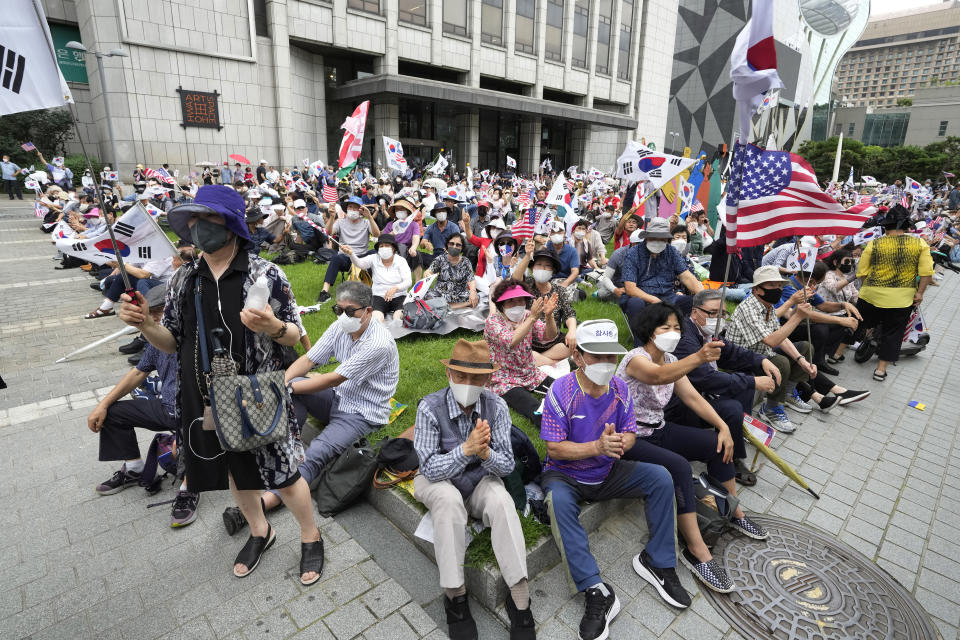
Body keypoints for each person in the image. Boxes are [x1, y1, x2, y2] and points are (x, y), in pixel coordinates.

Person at [115, 184, 324, 586]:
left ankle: (310, 535)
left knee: (283, 472)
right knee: (234, 470)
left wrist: (274, 326)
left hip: (259, 391)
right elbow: (172, 342)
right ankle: (260, 530)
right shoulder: (184, 279)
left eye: (206, 218)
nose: (197, 227)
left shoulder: (266, 274)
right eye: (192, 220)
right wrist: (145, 324)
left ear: (229, 225)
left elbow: (296, 335)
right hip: (207, 396)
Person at [541, 319, 692, 640]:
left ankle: (659, 561)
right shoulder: (561, 390)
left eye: (611, 356)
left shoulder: (620, 389)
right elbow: (554, 447)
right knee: (556, 501)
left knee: (661, 478)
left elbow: (631, 434)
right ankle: (595, 589)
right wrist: (597, 446)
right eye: (597, 356)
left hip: (608, 471)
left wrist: (624, 443)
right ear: (578, 356)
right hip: (566, 475)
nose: (606, 363)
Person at [617, 303, 768, 592]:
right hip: (633, 436)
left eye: (677, 327)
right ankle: (697, 551)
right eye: (665, 328)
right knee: (679, 467)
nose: (672, 333)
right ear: (649, 331)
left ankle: (733, 511)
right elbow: (658, 376)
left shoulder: (672, 359)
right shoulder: (635, 359)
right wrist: (699, 357)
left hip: (659, 429)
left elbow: (693, 399)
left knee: (716, 444)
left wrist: (723, 428)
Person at [413, 340, 535, 640]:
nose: (468, 384)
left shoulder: (497, 406)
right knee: (448, 500)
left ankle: (520, 597)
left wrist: (485, 455)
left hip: (480, 478)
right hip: (437, 480)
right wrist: (467, 449)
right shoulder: (430, 407)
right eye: (461, 376)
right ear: (449, 375)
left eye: (476, 378)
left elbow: (506, 466)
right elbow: (428, 468)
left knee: (502, 501)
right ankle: (455, 595)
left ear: (488, 379)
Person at [87, 284, 200, 527]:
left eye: (162, 312)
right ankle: (134, 468)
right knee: (114, 412)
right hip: (165, 407)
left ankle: (189, 488)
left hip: (195, 411)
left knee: (192, 426)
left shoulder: (195, 335)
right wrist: (103, 404)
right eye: (154, 313)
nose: (158, 318)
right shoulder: (155, 338)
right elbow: (138, 373)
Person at [725, 266, 869, 433]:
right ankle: (770, 409)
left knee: (806, 348)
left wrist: (802, 361)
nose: (778, 290)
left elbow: (780, 336)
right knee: (781, 361)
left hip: (760, 353)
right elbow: (772, 341)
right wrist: (798, 315)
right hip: (740, 358)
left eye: (779, 286)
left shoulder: (767, 305)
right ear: (757, 289)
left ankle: (787, 393)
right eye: (772, 286)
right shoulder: (749, 307)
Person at [670, 290, 783, 486]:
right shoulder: (684, 338)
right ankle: (732, 460)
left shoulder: (708, 332)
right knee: (733, 405)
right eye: (713, 313)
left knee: (745, 383)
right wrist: (754, 382)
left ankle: (736, 432)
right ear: (695, 312)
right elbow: (705, 378)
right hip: (682, 406)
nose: (719, 318)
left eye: (723, 313)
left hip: (702, 395)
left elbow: (731, 351)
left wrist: (761, 360)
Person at [855, 205, 934, 381]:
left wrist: (867, 287)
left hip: (871, 294)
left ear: (887, 225)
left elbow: (862, 272)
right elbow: (926, 273)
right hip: (901, 299)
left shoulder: (874, 243)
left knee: (858, 323)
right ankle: (880, 371)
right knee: (893, 333)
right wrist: (919, 294)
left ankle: (836, 355)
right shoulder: (919, 243)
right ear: (906, 225)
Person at [484, 280, 557, 426]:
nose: (517, 306)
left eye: (520, 301)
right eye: (511, 301)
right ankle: (557, 429)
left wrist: (549, 317)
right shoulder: (493, 321)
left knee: (562, 390)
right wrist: (532, 319)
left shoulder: (527, 316)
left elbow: (549, 336)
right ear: (501, 304)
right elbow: (510, 342)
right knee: (535, 409)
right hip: (504, 379)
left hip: (530, 372)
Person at [773, 261, 862, 376]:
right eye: (820, 282)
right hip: (790, 327)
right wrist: (840, 320)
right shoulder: (789, 287)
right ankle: (815, 361)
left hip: (800, 322)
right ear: (812, 280)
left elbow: (823, 305)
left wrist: (843, 305)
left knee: (842, 322)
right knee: (821, 329)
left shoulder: (808, 287)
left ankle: (821, 357)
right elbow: (804, 315)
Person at [620, 217, 703, 332]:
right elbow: (630, 288)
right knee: (635, 303)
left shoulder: (671, 251)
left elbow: (687, 276)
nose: (658, 241)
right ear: (647, 237)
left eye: (662, 238)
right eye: (654, 237)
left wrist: (705, 296)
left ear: (666, 239)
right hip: (642, 297)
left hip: (668, 297)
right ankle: (641, 343)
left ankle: (682, 337)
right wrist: (654, 300)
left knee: (692, 302)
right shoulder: (633, 254)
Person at [512, 241, 578, 365]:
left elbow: (569, 313)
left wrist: (572, 331)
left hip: (553, 342)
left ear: (553, 271)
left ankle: (536, 359)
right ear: (532, 268)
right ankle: (550, 362)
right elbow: (515, 279)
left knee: (574, 343)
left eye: (547, 266)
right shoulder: (527, 285)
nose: (543, 268)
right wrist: (527, 256)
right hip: (528, 340)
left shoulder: (558, 290)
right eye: (539, 264)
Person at [316, 196, 381, 304]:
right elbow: (327, 232)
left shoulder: (366, 223)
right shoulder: (341, 222)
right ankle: (324, 291)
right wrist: (332, 217)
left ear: (361, 210)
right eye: (350, 207)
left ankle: (374, 288)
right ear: (346, 209)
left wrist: (369, 217)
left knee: (374, 254)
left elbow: (377, 234)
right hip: (346, 257)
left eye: (356, 208)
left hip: (362, 257)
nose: (353, 210)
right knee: (336, 258)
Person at [342, 234, 411, 323]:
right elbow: (360, 264)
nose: (384, 248)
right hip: (379, 295)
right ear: (378, 249)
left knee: (398, 317)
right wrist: (351, 254)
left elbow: (408, 281)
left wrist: (396, 288)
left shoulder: (401, 261)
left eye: (387, 245)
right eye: (381, 246)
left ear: (393, 248)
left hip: (399, 295)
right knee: (376, 318)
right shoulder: (374, 258)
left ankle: (396, 323)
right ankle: (379, 331)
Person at [818, 248, 860, 363]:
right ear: (836, 262)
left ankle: (834, 354)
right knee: (845, 324)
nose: (850, 265)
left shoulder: (846, 278)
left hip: (840, 313)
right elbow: (833, 288)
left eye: (851, 262)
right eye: (847, 261)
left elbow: (855, 296)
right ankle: (825, 356)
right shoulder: (828, 274)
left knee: (858, 318)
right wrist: (853, 277)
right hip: (825, 312)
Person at [425, 234, 478, 309]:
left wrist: (473, 291)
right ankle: (462, 305)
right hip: (441, 293)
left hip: (459, 294)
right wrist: (427, 273)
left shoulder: (466, 262)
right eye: (451, 243)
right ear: (447, 244)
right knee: (428, 294)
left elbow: (471, 279)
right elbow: (429, 270)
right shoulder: (440, 259)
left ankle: (443, 307)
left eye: (458, 245)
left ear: (462, 248)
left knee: (475, 296)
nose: (454, 247)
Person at [544, 220, 581, 301]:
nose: (556, 234)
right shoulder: (545, 248)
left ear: (564, 233)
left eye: (559, 231)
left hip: (565, 279)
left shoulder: (572, 251)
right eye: (553, 232)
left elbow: (575, 271)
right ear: (549, 234)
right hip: (548, 280)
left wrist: (565, 283)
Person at [421, 202, 462, 271]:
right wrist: (425, 243)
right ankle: (439, 266)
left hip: (449, 254)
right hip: (436, 255)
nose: (441, 213)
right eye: (438, 211)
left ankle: (438, 266)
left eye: (443, 211)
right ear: (435, 214)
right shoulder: (430, 228)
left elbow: (458, 242)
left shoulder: (454, 227)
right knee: (418, 255)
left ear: (446, 213)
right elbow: (422, 244)